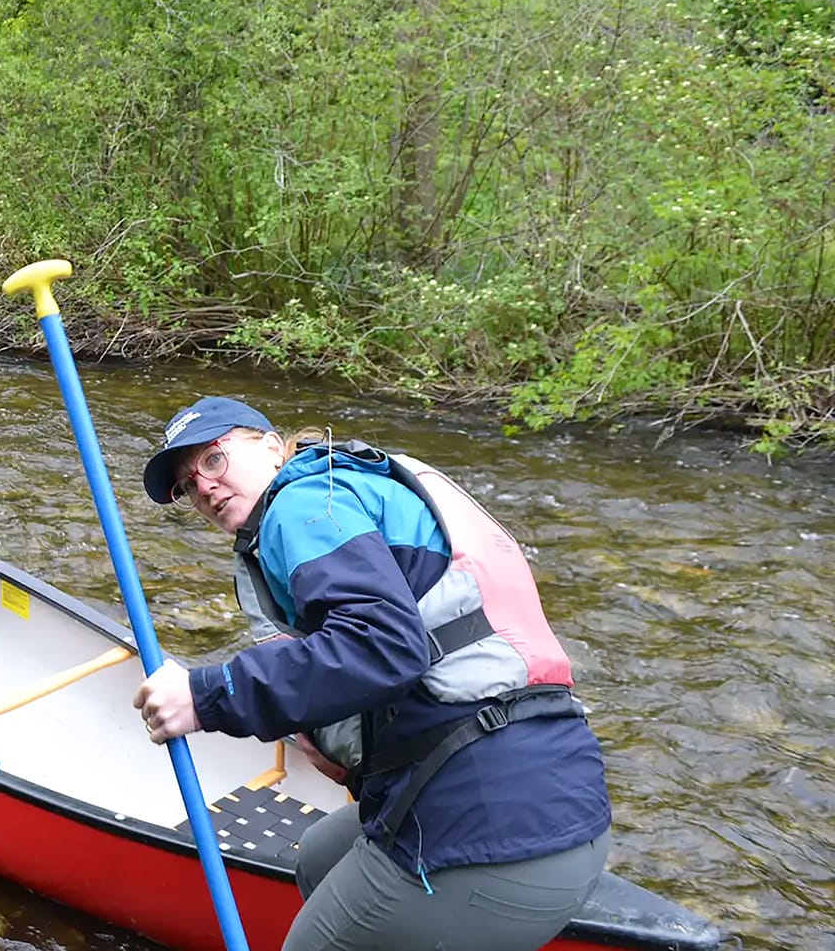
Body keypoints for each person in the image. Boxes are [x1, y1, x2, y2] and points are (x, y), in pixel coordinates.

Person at [132, 396, 612, 951]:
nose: (203, 489)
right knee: (318, 857)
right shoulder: (349, 485)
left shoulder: (305, 502)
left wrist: (205, 695)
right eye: (187, 487)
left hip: (490, 831)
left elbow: (380, 645)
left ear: (269, 446)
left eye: (213, 461)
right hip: (564, 805)